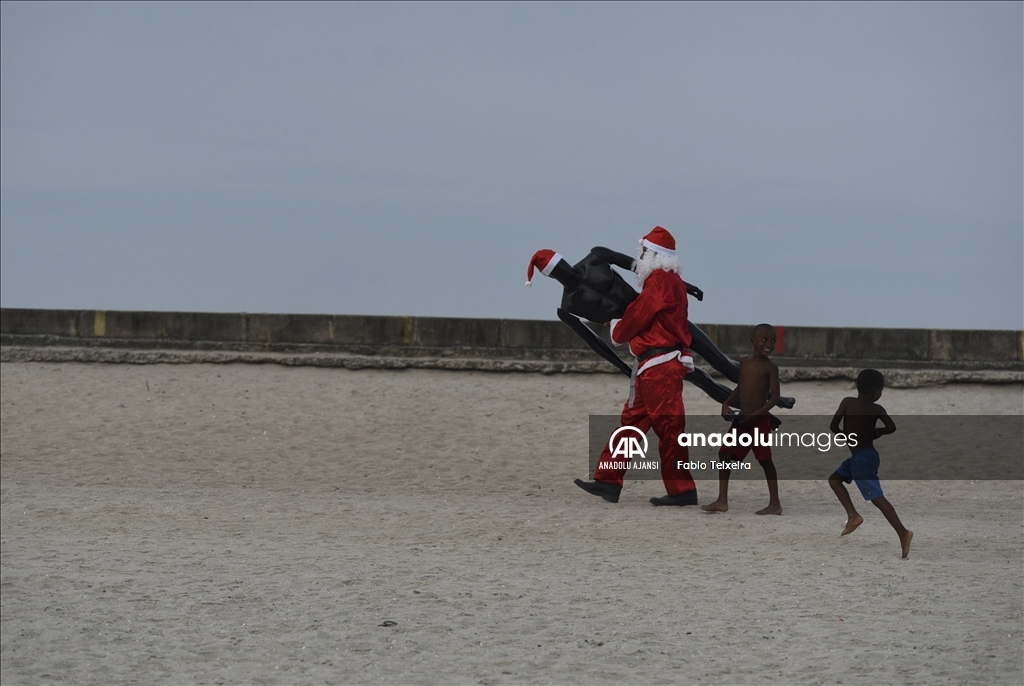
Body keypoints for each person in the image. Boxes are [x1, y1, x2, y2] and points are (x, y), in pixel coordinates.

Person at [574, 226, 699, 506]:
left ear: (653, 255)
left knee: (667, 429)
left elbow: (638, 315)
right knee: (634, 422)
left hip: (659, 366)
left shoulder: (658, 282)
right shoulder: (670, 281)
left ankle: (682, 490)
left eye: (643, 251)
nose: (639, 257)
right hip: (653, 366)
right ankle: (608, 481)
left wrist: (617, 328)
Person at [828, 369, 913, 558]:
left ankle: (903, 532)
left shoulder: (847, 402)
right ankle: (853, 516)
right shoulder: (877, 409)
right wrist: (879, 432)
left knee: (877, 498)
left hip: (861, 459)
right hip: (866, 456)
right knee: (834, 480)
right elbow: (892, 427)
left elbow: (833, 426)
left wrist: (845, 436)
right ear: (876, 392)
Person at [701, 324, 783, 515]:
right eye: (764, 340)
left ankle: (775, 504)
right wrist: (726, 403)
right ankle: (722, 500)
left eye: (772, 341)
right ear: (752, 341)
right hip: (742, 419)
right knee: (724, 455)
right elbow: (740, 387)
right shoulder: (744, 362)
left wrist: (757, 415)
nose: (769, 344)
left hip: (759, 420)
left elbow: (775, 397)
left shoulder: (771, 367)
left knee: (765, 460)